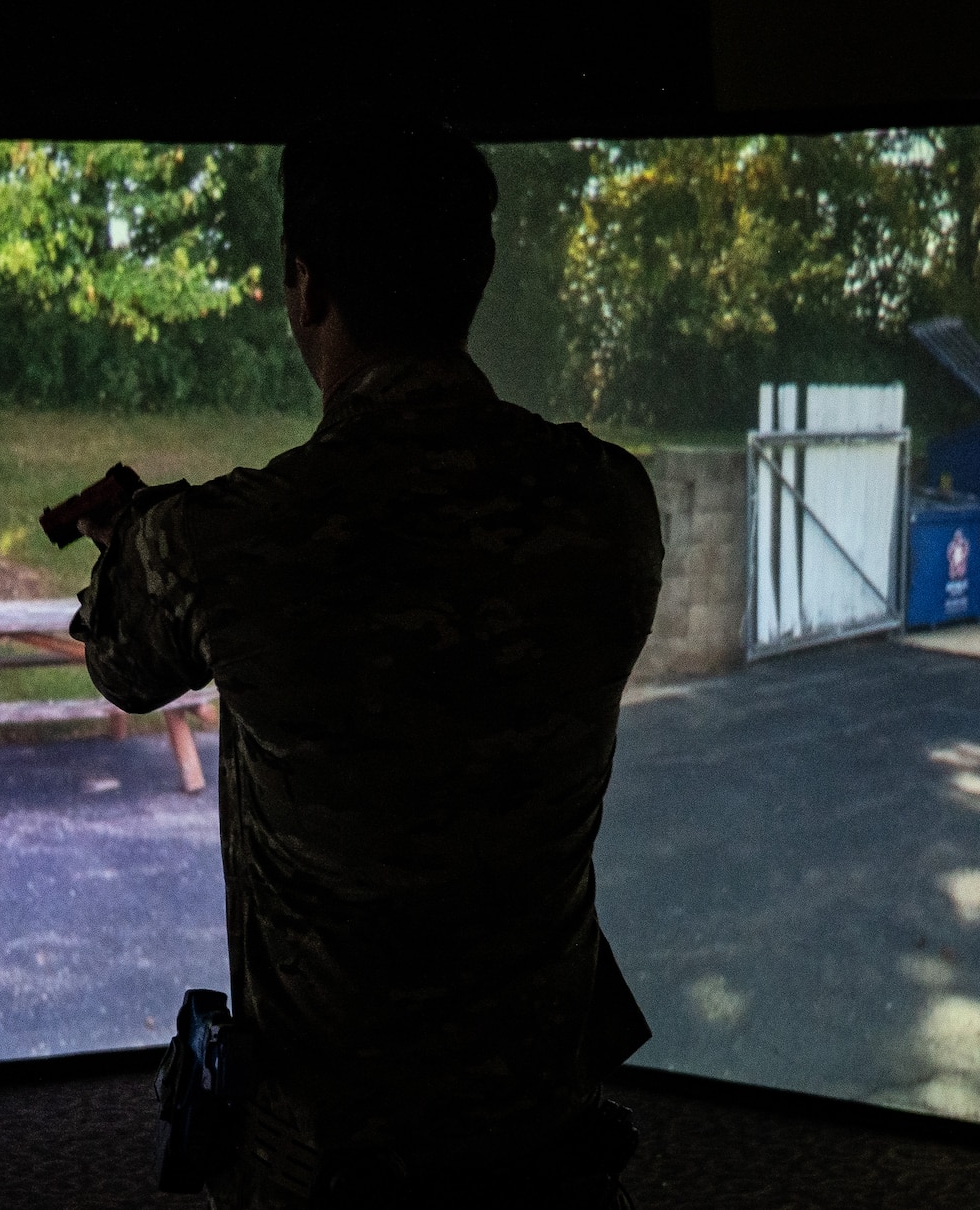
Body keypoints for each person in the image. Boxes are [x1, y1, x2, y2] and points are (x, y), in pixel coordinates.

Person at [70, 119, 663, 1208]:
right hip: (543, 1133)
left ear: (304, 288)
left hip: (332, 1160)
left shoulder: (230, 542)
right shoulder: (608, 505)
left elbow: (120, 665)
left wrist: (135, 536)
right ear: (471, 278)